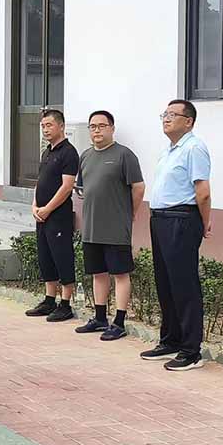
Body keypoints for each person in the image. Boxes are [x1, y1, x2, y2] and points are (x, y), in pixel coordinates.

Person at [141, 100, 211, 372]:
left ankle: (191, 351)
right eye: (165, 114)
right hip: (160, 219)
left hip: (181, 219)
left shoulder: (194, 148)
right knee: (166, 283)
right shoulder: (169, 150)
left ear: (188, 121)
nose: (166, 118)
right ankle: (170, 340)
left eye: (172, 114)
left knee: (184, 285)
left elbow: (202, 191)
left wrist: (204, 222)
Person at [74, 111, 145, 341]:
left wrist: (130, 213)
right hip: (91, 227)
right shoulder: (85, 156)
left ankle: (119, 322)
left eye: (102, 126)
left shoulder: (124, 155)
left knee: (120, 274)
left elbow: (139, 187)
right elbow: (83, 189)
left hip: (116, 228)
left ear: (112, 128)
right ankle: (100, 318)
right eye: (93, 126)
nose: (97, 130)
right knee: (98, 273)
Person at [25, 109, 80, 322]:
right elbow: (40, 182)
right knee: (45, 257)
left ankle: (65, 304)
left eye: (49, 125)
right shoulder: (46, 152)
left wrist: (48, 208)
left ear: (61, 126)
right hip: (42, 215)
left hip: (58, 216)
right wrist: (35, 205)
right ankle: (49, 300)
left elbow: (67, 187)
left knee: (62, 256)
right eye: (43, 126)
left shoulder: (69, 153)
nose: (45, 130)